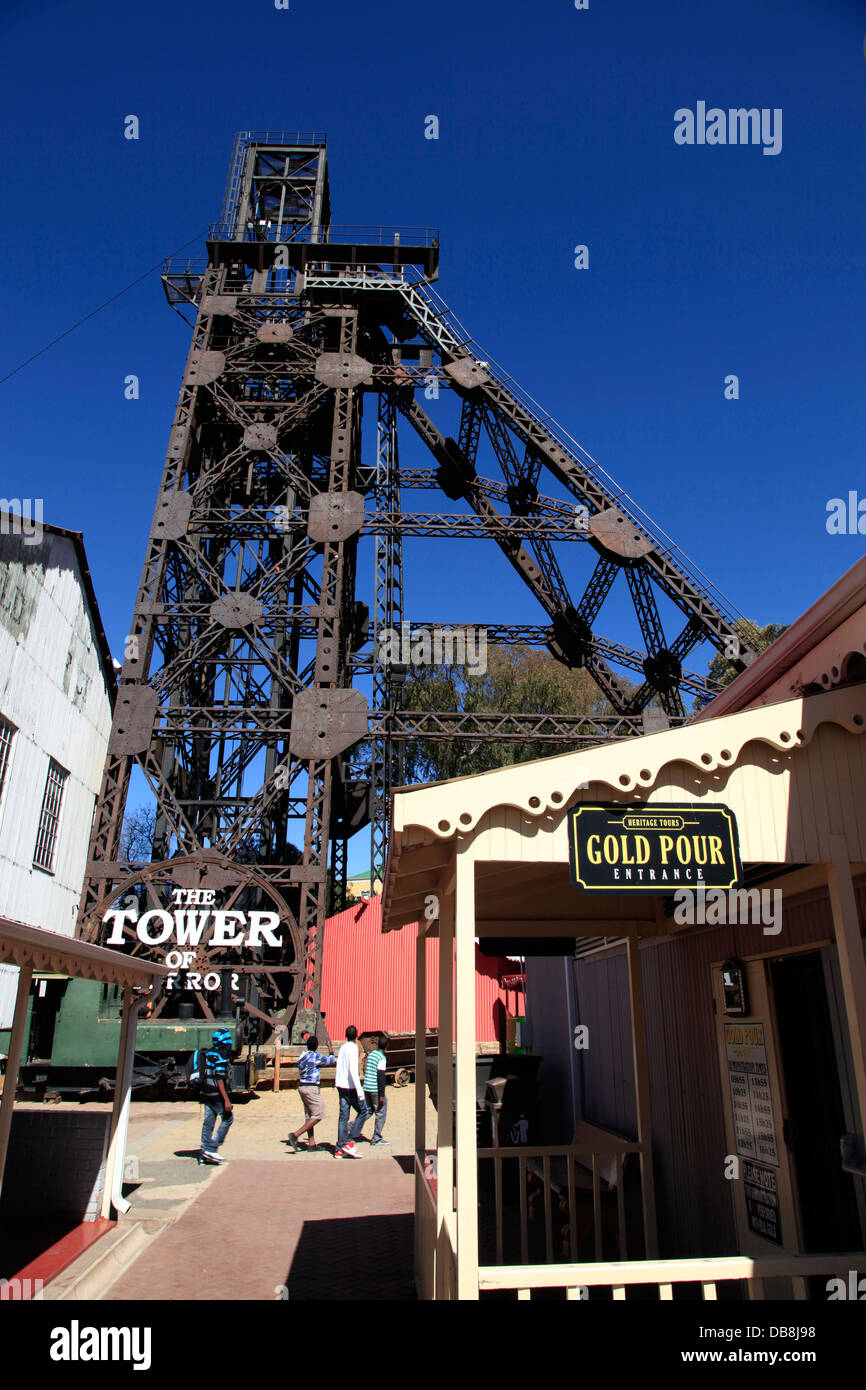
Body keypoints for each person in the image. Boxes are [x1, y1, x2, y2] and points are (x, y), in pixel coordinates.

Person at [287, 1034, 335, 1152]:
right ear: (316, 1046)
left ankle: (311, 1144)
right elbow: (331, 1060)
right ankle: (295, 1135)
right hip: (311, 1087)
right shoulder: (315, 1056)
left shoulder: (302, 1057)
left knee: (310, 1115)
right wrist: (330, 1048)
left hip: (302, 1086)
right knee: (319, 1114)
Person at [199, 1028, 234, 1165]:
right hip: (216, 1094)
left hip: (205, 1092)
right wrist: (226, 1100)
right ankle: (212, 1148)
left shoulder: (209, 1052)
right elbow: (219, 1078)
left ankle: (204, 1154)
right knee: (228, 1119)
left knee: (208, 1123)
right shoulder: (221, 1056)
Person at [334, 1024, 369, 1159]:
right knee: (363, 1111)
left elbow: (340, 1066)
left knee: (343, 1117)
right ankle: (349, 1140)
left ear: (346, 1035)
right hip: (350, 1087)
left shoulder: (342, 1048)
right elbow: (353, 1071)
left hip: (341, 1085)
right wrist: (360, 1092)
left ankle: (339, 1148)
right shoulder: (353, 1048)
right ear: (356, 1037)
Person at [362, 1033, 389, 1146]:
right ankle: (376, 1137)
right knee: (380, 1112)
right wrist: (382, 1094)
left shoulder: (372, 1054)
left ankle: (351, 1127)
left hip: (367, 1087)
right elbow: (381, 1077)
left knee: (368, 1111)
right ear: (387, 1046)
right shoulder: (381, 1058)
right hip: (375, 1089)